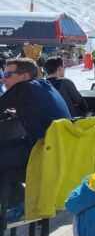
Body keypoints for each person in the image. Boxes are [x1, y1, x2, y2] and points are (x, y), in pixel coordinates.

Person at [0, 58, 70, 188]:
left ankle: (9, 197)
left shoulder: (22, 87)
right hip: (59, 150)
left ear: (24, 76)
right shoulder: (45, 85)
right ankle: (11, 196)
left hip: (43, 152)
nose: (3, 79)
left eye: (7, 75)